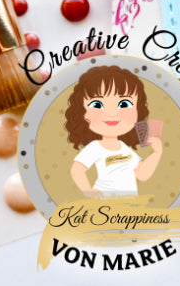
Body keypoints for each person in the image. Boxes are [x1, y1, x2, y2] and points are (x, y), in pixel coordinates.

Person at [65, 65, 163, 198]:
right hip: (104, 202)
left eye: (124, 104)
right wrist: (88, 191)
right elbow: (76, 170)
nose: (111, 114)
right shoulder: (95, 147)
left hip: (130, 204)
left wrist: (156, 154)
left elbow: (142, 175)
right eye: (97, 105)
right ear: (83, 114)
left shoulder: (125, 148)